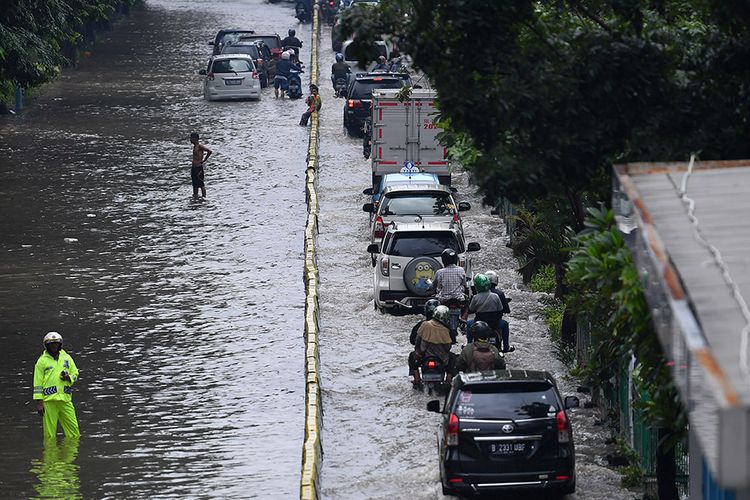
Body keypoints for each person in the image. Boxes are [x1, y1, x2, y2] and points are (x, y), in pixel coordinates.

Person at [33, 332, 80, 439]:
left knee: (74, 433)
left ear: (60, 345)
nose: (54, 346)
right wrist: (39, 402)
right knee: (49, 435)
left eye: (56, 344)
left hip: (65, 399)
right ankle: (50, 454)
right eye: (51, 344)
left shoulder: (67, 358)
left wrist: (69, 377)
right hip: (49, 401)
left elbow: (75, 373)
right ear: (47, 345)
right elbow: (37, 383)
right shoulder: (42, 361)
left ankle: (71, 453)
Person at [411, 305, 454, 389]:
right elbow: (448, 348)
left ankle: (417, 378)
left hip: (423, 357)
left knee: (412, 356)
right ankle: (448, 379)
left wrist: (417, 351)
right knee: (453, 357)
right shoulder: (446, 330)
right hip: (442, 359)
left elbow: (417, 341)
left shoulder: (424, 324)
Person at [484, 269, 513, 351]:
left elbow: (472, 309)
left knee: (469, 325)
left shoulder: (479, 293)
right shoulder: (499, 293)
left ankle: (468, 345)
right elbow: (506, 310)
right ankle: (506, 347)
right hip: (496, 323)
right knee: (505, 325)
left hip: (482, 323)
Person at [190, 132, 212, 198]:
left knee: (201, 184)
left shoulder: (199, 146)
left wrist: (204, 160)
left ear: (194, 139)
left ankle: (204, 197)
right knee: (194, 184)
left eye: (191, 138)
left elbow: (209, 151)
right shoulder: (195, 146)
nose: (190, 140)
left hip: (198, 168)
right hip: (194, 168)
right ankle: (195, 197)